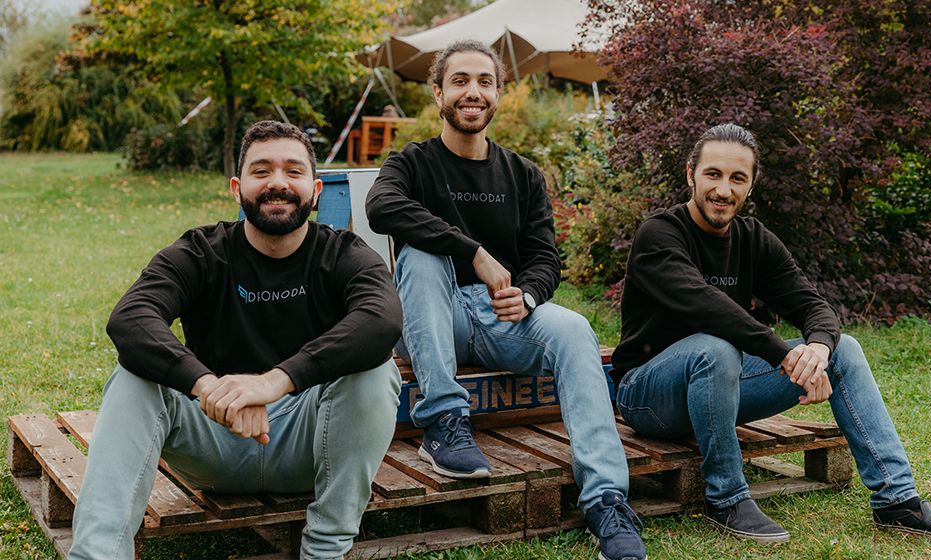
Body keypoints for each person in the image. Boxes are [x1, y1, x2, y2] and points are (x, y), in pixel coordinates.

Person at [610, 123, 931, 546]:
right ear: (690, 173)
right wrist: (782, 354)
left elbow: (813, 306)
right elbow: (705, 305)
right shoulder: (659, 234)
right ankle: (727, 498)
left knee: (845, 350)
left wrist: (818, 349)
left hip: (721, 390)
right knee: (715, 347)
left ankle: (898, 501)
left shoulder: (754, 239)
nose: (723, 190)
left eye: (737, 178)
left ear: (751, 185)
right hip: (646, 397)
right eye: (713, 174)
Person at [68, 121, 404, 560]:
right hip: (210, 439)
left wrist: (276, 381)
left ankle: (325, 550)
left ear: (316, 188)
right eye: (261, 171)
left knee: (376, 371)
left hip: (309, 446)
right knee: (133, 377)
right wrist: (208, 386)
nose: (278, 183)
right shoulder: (200, 252)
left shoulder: (343, 253)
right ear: (236, 186)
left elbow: (382, 320)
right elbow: (131, 318)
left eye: (293, 172)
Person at [365, 40, 647, 560]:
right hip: (435, 315)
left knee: (574, 329)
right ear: (438, 93)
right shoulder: (412, 162)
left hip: (501, 319)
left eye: (485, 82)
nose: (473, 91)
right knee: (423, 257)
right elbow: (381, 208)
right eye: (460, 81)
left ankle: (605, 498)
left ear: (497, 94)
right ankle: (445, 422)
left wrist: (530, 294)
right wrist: (471, 251)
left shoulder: (523, 175)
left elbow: (544, 257)